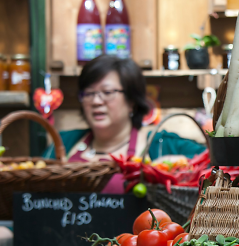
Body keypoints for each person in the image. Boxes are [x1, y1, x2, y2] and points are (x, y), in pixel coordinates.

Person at [44, 56, 206, 193]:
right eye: (89, 93)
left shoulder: (163, 144)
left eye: (107, 92)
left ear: (132, 101)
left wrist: (181, 163)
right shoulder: (63, 143)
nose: (96, 101)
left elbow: (216, 165)